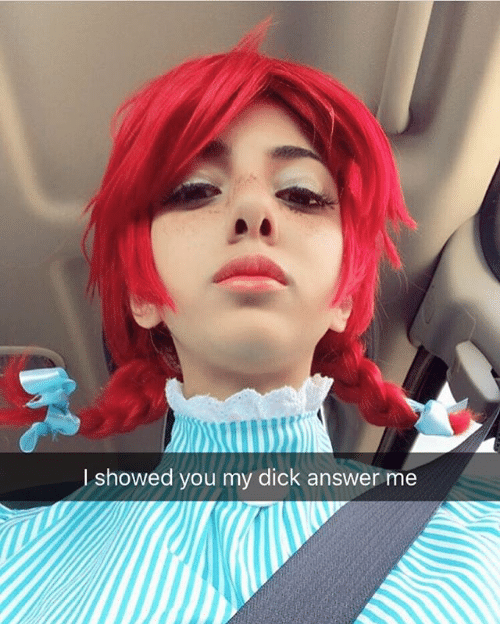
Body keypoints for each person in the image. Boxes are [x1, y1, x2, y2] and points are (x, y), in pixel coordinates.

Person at [0, 22, 498, 624]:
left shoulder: (478, 543)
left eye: (302, 194)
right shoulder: (17, 554)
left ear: (344, 298)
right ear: (141, 294)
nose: (254, 209)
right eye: (193, 190)